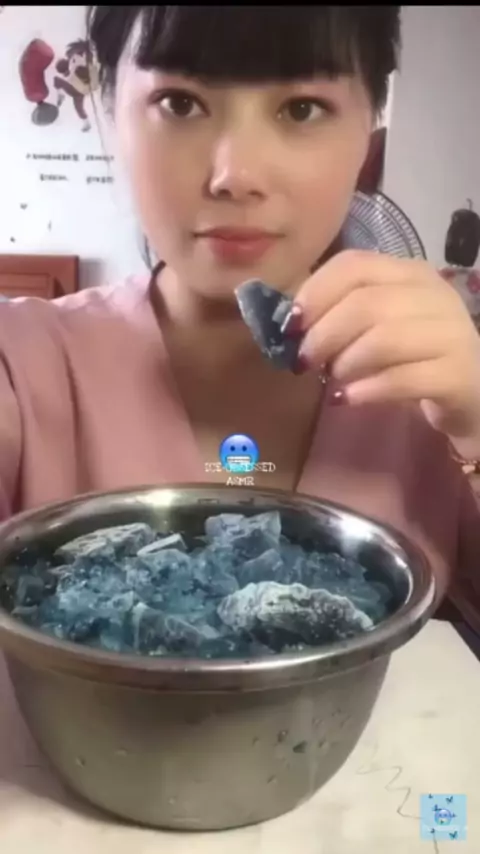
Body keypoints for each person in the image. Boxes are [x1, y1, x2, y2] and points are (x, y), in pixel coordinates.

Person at [1, 6, 480, 617]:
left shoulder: (438, 390)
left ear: (370, 125)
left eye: (301, 108)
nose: (237, 176)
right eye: (180, 103)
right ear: (109, 106)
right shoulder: (20, 366)